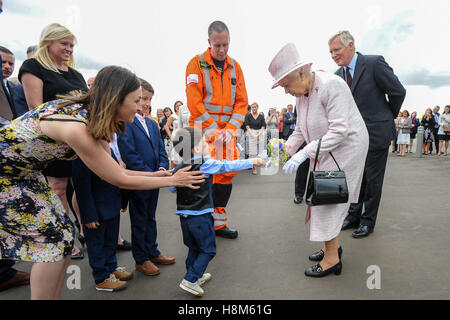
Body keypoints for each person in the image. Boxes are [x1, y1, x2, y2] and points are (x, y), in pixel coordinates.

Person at [0, 65, 205, 300]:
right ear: (117, 98)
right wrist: (175, 179)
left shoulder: (93, 118)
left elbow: (116, 169)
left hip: (25, 173)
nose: (141, 107)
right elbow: (118, 178)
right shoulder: (77, 128)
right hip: (6, 176)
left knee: (64, 238)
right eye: (136, 100)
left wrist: (157, 175)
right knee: (53, 244)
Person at [269, 43, 369, 277]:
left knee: (327, 199)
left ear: (301, 73)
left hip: (347, 147)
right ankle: (330, 248)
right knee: (324, 196)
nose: (285, 91)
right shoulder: (302, 94)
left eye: (285, 85)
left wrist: (305, 153)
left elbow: (339, 131)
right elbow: (300, 131)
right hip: (326, 148)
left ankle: (332, 259)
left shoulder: (331, 85)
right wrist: (284, 151)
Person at [19, 23, 89, 258]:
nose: (69, 49)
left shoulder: (76, 74)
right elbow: (35, 109)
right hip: (52, 140)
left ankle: (86, 230)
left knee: (82, 186)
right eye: (64, 44)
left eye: (71, 45)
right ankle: (66, 237)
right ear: (48, 42)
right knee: (58, 189)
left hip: (78, 140)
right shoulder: (33, 67)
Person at [329, 30, 406, 238]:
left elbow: (398, 91)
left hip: (377, 133)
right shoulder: (337, 77)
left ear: (351, 45)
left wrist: (387, 116)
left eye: (337, 49)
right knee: (356, 179)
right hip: (353, 138)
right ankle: (353, 216)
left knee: (373, 180)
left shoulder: (373, 63)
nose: (333, 55)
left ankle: (367, 221)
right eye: (331, 52)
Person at [170, 127, 265, 296]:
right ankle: (191, 279)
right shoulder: (205, 165)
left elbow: (172, 188)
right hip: (201, 215)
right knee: (208, 249)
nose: (207, 145)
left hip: (184, 216)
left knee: (194, 247)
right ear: (196, 149)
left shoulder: (178, 168)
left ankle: (194, 274)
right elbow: (228, 165)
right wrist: (252, 161)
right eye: (204, 142)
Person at [185, 20, 248, 239]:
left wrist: (229, 130)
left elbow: (241, 103)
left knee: (226, 175)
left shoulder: (235, 67)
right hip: (204, 131)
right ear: (209, 42)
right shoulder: (196, 64)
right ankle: (200, 225)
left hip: (227, 133)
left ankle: (219, 224)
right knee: (202, 176)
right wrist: (214, 130)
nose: (222, 50)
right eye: (217, 45)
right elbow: (194, 103)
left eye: (226, 45)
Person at [117, 78, 174, 277]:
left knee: (150, 217)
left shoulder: (152, 123)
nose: (147, 103)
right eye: (143, 99)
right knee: (140, 218)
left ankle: (153, 251)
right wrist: (149, 174)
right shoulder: (127, 123)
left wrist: (162, 167)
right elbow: (128, 153)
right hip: (140, 180)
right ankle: (141, 259)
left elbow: (161, 149)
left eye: (149, 99)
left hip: (155, 178)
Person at [72, 149, 133, 292]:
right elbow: (81, 187)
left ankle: (111, 268)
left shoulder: (108, 149)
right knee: (97, 244)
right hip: (95, 210)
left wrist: (123, 201)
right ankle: (101, 278)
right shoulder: (81, 153)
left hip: (111, 203)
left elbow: (118, 175)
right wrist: (88, 215)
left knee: (111, 240)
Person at [0, 46, 31, 293]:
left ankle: (6, 269)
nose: (8, 67)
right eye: (3, 62)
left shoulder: (12, 88)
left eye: (11, 63)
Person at [244, 102, 266, 174]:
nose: (254, 108)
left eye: (255, 107)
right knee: (252, 152)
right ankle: (254, 168)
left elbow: (263, 126)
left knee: (259, 151)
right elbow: (247, 126)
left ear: (257, 108)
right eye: (253, 107)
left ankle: (259, 162)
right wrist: (253, 135)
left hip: (260, 133)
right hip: (251, 133)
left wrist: (258, 134)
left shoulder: (261, 117)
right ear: (251, 108)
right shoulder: (248, 116)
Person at [165, 101, 182, 168]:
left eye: (180, 106)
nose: (178, 107)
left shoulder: (184, 115)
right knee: (175, 154)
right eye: (176, 106)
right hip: (176, 136)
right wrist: (171, 136)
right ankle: (171, 172)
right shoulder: (173, 116)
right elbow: (166, 126)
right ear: (175, 108)